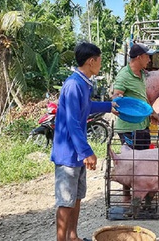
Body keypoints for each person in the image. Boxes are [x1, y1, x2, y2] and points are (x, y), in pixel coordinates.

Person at [51, 41, 117, 241]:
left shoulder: (84, 83)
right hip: (68, 153)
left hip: (76, 153)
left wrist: (108, 106)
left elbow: (86, 107)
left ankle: (73, 236)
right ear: (91, 61)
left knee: (77, 196)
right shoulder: (73, 85)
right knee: (66, 200)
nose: (100, 64)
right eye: (99, 61)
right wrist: (86, 151)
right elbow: (72, 122)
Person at [112, 42, 159, 201]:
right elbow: (117, 96)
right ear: (139, 57)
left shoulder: (141, 74)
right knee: (129, 162)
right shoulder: (124, 75)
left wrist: (151, 112)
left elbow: (140, 98)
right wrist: (118, 100)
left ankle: (143, 194)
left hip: (142, 125)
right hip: (129, 126)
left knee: (143, 161)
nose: (149, 59)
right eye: (147, 56)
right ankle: (127, 197)